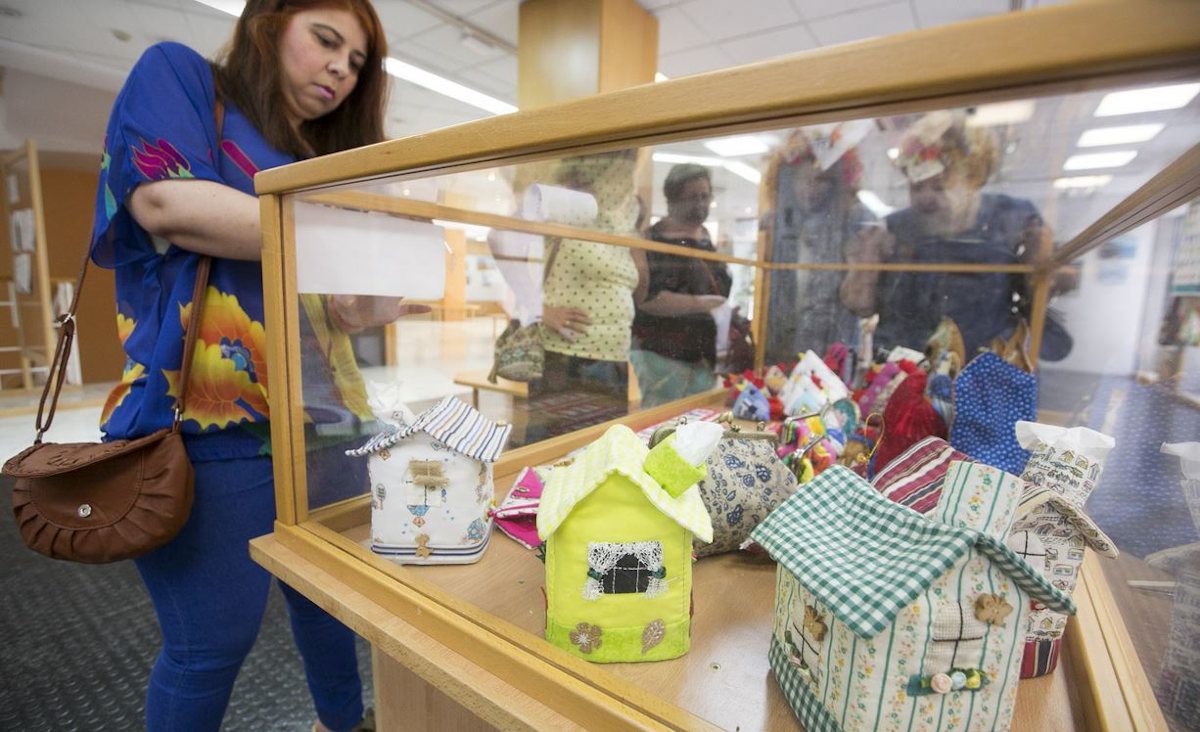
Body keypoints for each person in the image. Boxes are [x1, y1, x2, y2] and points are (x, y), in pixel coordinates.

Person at [89, 2, 407, 729]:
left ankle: (341, 721)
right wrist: (341, 239)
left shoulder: (313, 158)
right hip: (209, 418)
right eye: (326, 41)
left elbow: (328, 305)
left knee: (330, 604)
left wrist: (367, 301)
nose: (340, 69)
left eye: (357, 62)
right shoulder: (184, 79)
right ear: (268, 26)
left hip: (323, 418)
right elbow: (165, 201)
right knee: (211, 641)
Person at [841, 110, 1069, 358]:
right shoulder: (894, 228)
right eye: (916, 186)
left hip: (983, 366)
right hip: (906, 365)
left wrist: (1044, 266)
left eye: (940, 186)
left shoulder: (1011, 218)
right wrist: (866, 265)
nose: (926, 197)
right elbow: (861, 305)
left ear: (973, 178)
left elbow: (1044, 292)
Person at [763, 122, 882, 363]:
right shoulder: (777, 225)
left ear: (837, 182)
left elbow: (865, 299)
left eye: (821, 180)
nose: (810, 189)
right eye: (801, 179)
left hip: (834, 354)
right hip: (781, 350)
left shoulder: (856, 221)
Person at [533, 151, 642, 403]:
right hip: (565, 357)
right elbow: (503, 241)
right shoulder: (563, 204)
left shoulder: (617, 217)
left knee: (606, 439)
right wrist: (540, 310)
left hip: (613, 356)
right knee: (560, 438)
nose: (626, 177)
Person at [629, 164, 730, 406]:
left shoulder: (706, 240)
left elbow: (721, 290)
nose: (701, 203)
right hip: (660, 354)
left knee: (697, 429)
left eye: (705, 196)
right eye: (692, 197)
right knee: (660, 430)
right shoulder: (653, 240)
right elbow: (647, 299)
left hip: (703, 355)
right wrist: (699, 304)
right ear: (673, 199)